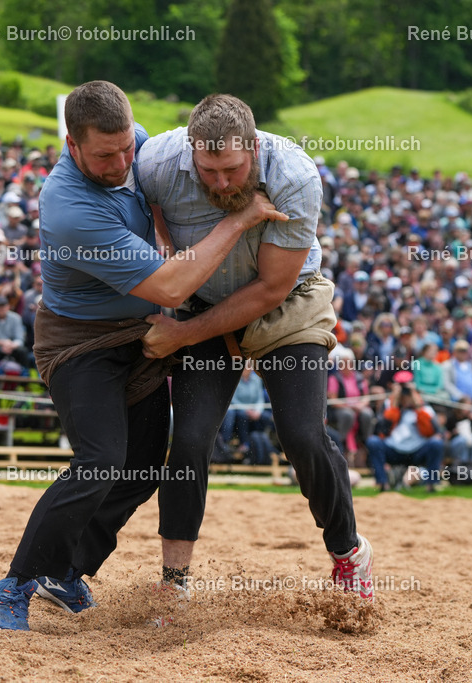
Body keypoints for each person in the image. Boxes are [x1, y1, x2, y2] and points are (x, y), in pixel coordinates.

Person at [0, 81, 285, 632]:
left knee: (140, 471)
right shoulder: (69, 209)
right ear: (71, 145)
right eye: (103, 155)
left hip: (137, 336)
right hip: (79, 344)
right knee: (99, 460)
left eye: (125, 150)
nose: (120, 163)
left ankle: (65, 570)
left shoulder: (130, 141)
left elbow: (156, 202)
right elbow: (168, 287)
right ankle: (10, 588)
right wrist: (239, 220)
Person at [135, 94, 373, 599]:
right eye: (209, 170)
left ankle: (348, 551)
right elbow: (156, 222)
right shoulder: (156, 162)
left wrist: (180, 335)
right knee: (190, 440)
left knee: (302, 435)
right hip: (202, 305)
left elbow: (270, 289)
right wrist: (183, 286)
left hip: (287, 305)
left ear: (255, 147)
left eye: (233, 170)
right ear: (191, 153)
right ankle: (173, 581)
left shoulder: (296, 177)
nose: (222, 182)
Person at [365, 373, 444, 492]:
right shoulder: (388, 405)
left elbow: (432, 432)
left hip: (417, 451)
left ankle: (431, 485)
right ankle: (383, 484)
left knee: (436, 443)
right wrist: (395, 403)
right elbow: (382, 431)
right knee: (373, 441)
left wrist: (417, 405)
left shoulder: (423, 406)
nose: (405, 394)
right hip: (393, 450)